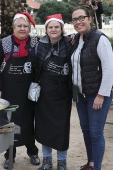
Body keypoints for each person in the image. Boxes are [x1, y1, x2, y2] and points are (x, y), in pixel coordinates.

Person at [0, 12, 40, 169]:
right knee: (9, 125)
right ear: (13, 27)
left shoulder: (36, 42)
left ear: (29, 27)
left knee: (28, 124)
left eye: (25, 26)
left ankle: (32, 151)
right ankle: (9, 156)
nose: (23, 29)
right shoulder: (5, 43)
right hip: (8, 92)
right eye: (19, 26)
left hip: (28, 93)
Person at [71, 6, 113, 170]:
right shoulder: (77, 39)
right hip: (82, 95)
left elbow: (109, 69)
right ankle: (91, 163)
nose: (78, 22)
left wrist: (101, 95)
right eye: (75, 19)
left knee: (96, 133)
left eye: (81, 18)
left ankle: (97, 167)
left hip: (97, 95)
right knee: (86, 131)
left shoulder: (99, 39)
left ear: (90, 18)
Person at [34, 14, 73, 170]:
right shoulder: (40, 44)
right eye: (50, 27)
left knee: (62, 128)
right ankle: (47, 161)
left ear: (62, 28)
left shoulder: (70, 43)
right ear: (46, 29)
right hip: (44, 93)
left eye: (57, 27)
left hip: (63, 93)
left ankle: (62, 162)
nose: (54, 29)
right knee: (45, 128)